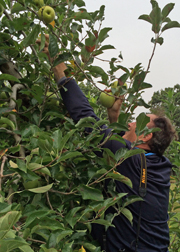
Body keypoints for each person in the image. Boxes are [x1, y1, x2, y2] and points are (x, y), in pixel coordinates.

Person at [37, 36, 176, 252]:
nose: (130, 123)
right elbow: (118, 152)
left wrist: (57, 61)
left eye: (137, 121)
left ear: (147, 137)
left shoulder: (133, 162)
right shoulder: (159, 166)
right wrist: (114, 116)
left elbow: (85, 116)